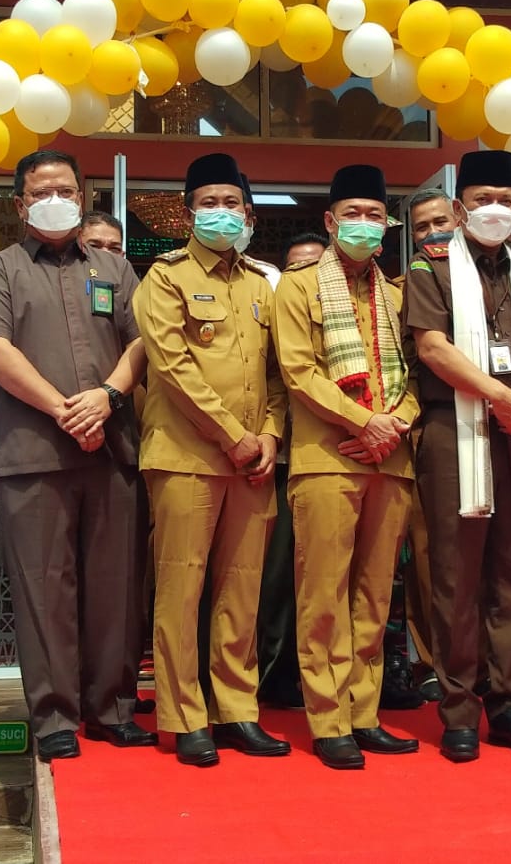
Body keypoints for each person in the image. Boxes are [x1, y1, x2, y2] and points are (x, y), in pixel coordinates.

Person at [0, 148, 153, 761]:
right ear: (20, 205)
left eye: (66, 190)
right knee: (43, 588)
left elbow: (142, 343)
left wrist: (107, 396)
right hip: (34, 454)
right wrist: (64, 410)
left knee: (116, 586)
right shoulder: (0, 269)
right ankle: (54, 717)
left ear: (82, 197)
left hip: (112, 449)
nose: (56, 200)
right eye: (42, 191)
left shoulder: (114, 268)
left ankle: (113, 708)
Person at [405, 149, 511, 763]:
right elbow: (433, 347)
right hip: (457, 431)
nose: (495, 210)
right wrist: (500, 395)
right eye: (483, 200)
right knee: (457, 575)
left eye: (506, 201)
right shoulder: (431, 266)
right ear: (458, 207)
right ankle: (459, 709)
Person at [135, 152, 290, 767]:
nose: (221, 213)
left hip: (253, 462)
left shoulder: (261, 284)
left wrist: (270, 435)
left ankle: (237, 709)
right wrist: (232, 436)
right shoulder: (164, 277)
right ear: (188, 213)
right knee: (181, 587)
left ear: (248, 214)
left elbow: (278, 372)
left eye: (231, 204)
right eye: (209, 204)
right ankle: (183, 716)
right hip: (185, 457)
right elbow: (171, 366)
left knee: (242, 590)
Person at [274, 164, 421, 770]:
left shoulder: (400, 295)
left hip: (391, 461)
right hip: (326, 459)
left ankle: (365, 714)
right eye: (352, 214)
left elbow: (417, 375)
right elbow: (298, 372)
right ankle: (329, 720)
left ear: (387, 226)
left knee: (375, 596)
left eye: (374, 215)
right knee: (324, 594)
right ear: (331, 222)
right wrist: (365, 423)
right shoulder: (298, 287)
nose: (364, 224)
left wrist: (395, 423)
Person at [255, 232, 329, 711]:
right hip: (280, 460)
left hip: (334, 458)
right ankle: (274, 675)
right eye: (296, 267)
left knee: (325, 578)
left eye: (315, 265)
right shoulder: (273, 315)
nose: (306, 274)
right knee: (276, 577)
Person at [397, 190, 463, 706]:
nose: (433, 233)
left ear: (459, 218)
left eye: (441, 221)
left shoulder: (501, 280)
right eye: (421, 227)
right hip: (427, 425)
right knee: (428, 552)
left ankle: (494, 661)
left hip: (497, 423)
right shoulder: (403, 289)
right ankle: (433, 660)